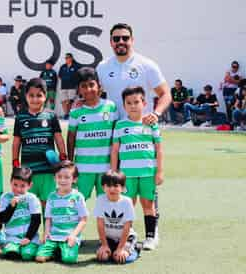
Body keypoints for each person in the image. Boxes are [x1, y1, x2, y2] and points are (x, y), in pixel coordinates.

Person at [96, 23, 171, 246]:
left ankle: (152, 231)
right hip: (115, 133)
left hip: (141, 132)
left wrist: (156, 114)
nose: (121, 42)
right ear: (111, 42)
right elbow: (95, 92)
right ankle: (124, 231)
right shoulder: (102, 67)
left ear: (132, 40)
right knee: (119, 184)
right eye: (116, 38)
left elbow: (165, 93)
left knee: (146, 184)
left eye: (125, 38)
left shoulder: (146, 64)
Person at [111, 87, 163, 251]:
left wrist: (160, 171)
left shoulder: (151, 123)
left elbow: (159, 149)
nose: (133, 106)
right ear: (124, 105)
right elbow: (115, 150)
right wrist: (114, 173)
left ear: (144, 103)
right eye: (129, 103)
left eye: (136, 102)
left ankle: (150, 237)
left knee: (148, 204)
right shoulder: (120, 125)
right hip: (127, 174)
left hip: (148, 172)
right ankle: (128, 235)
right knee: (128, 204)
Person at [12, 78, 67, 208]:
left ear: (45, 96)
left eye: (39, 95)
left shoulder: (51, 116)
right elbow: (16, 142)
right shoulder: (21, 117)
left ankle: (47, 229)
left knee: (47, 205)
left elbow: (58, 138)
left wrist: (63, 157)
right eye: (31, 95)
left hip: (48, 170)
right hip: (28, 171)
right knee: (29, 205)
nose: (35, 99)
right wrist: (15, 162)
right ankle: (32, 229)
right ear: (26, 96)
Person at [67, 67, 118, 200]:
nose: (88, 89)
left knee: (107, 203)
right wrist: (70, 163)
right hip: (83, 168)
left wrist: (116, 164)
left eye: (91, 85)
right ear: (79, 89)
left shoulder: (110, 107)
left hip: (106, 168)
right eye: (84, 86)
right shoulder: (76, 112)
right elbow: (71, 137)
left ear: (99, 85)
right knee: (77, 202)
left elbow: (116, 137)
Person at [35, 161, 88, 264]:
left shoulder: (78, 197)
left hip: (69, 236)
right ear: (54, 178)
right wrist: (46, 233)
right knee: (39, 258)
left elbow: (83, 219)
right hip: (53, 235)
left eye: (67, 177)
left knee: (68, 259)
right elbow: (48, 218)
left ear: (74, 179)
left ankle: (61, 250)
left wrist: (73, 235)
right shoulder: (51, 197)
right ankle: (56, 249)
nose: (62, 180)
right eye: (59, 177)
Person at [0, 167, 41, 261]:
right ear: (10, 182)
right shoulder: (5, 197)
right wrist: (11, 206)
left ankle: (34, 247)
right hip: (12, 237)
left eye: (22, 186)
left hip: (30, 237)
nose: (18, 189)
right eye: (15, 184)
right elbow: (2, 219)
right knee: (11, 254)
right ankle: (12, 247)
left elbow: (36, 220)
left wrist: (28, 237)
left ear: (30, 185)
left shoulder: (32, 198)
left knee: (27, 255)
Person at [94, 171, 140, 264]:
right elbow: (100, 225)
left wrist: (120, 248)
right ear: (103, 187)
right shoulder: (100, 199)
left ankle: (136, 248)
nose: (112, 189)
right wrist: (104, 245)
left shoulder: (127, 202)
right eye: (108, 186)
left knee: (120, 258)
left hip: (126, 238)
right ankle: (112, 249)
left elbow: (127, 227)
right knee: (102, 257)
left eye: (116, 186)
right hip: (109, 238)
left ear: (122, 188)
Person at [58, 53, 81, 119]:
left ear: (71, 58)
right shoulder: (63, 66)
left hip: (72, 87)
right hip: (64, 86)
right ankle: (66, 114)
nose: (67, 59)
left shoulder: (76, 66)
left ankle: (71, 113)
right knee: (64, 101)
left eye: (68, 57)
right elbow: (60, 76)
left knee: (71, 101)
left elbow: (79, 76)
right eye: (66, 58)